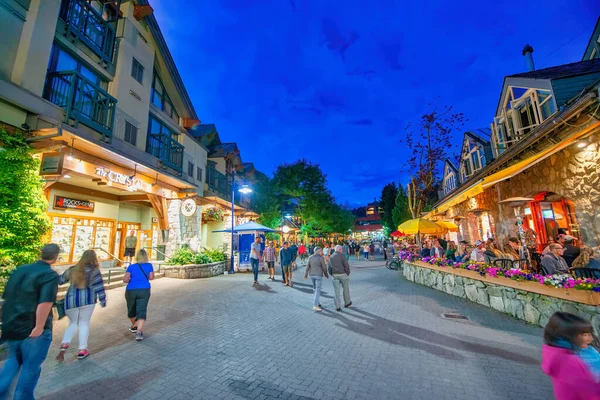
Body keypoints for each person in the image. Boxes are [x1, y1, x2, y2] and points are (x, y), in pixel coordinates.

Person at [0, 244, 60, 399]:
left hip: (13, 325)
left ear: (41, 253)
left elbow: (7, 297)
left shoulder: (21, 269)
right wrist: (39, 327)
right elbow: (45, 302)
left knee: (13, 361)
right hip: (32, 330)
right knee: (30, 367)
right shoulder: (49, 275)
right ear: (55, 257)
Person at [56, 250, 106, 362]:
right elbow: (99, 287)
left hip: (71, 301)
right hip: (88, 301)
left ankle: (64, 345)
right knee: (84, 324)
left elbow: (60, 280)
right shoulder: (95, 271)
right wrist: (102, 300)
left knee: (72, 324)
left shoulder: (73, 269)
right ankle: (82, 350)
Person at [541, 312, 600, 400]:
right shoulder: (571, 362)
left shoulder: (560, 353)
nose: (590, 339)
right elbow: (590, 392)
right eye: (585, 335)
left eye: (590, 334)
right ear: (569, 336)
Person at [124, 249, 154, 341]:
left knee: (131, 309)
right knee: (142, 310)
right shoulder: (149, 266)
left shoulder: (131, 267)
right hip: (144, 290)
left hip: (131, 290)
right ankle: (139, 331)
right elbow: (151, 277)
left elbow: (125, 280)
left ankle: (135, 325)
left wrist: (132, 280)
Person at [304, 247, 329, 312]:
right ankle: (315, 305)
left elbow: (307, 266)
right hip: (318, 275)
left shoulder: (310, 257)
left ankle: (317, 302)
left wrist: (306, 274)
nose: (322, 252)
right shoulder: (321, 258)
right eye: (321, 251)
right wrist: (326, 275)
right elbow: (324, 267)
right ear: (319, 252)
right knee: (317, 290)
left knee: (315, 289)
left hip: (312, 275)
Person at [329, 245, 351, 312]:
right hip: (343, 274)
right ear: (340, 249)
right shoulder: (342, 255)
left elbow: (329, 267)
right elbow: (346, 265)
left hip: (335, 275)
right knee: (345, 289)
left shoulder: (331, 256)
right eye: (341, 249)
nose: (342, 250)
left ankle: (337, 306)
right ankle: (347, 303)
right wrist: (347, 273)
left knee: (336, 291)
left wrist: (331, 274)